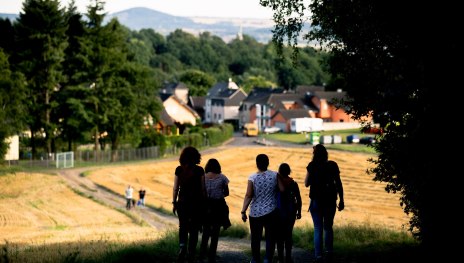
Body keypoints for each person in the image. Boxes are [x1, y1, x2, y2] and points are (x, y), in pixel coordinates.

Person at [305, 144, 344, 263]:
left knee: (318, 228)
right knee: (328, 227)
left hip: (316, 201)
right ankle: (329, 253)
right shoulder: (333, 165)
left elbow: (306, 183)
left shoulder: (312, 166)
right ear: (326, 153)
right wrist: (342, 200)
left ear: (315, 154)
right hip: (330, 201)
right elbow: (339, 184)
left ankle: (318, 256)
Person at [241, 153, 282, 263]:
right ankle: (267, 259)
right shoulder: (275, 175)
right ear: (268, 163)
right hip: (271, 211)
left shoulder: (252, 177)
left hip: (255, 213)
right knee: (270, 237)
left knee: (255, 238)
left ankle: (255, 259)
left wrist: (243, 210)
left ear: (257, 164)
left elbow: (248, 195)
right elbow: (281, 190)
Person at [172, 146, 206, 263]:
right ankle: (191, 253)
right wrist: (204, 204)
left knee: (183, 226)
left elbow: (176, 188)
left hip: (182, 203)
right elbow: (203, 189)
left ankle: (182, 247)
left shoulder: (179, 170)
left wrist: (174, 202)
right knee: (194, 229)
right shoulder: (200, 170)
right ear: (196, 157)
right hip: (197, 204)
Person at [199, 158, 231, 263]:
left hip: (205, 207)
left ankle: (201, 256)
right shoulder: (222, 178)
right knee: (215, 233)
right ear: (218, 166)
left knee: (206, 232)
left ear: (207, 167)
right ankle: (211, 257)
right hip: (218, 207)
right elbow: (227, 193)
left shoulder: (202, 177)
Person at [276, 163, 302, 263]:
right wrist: (299, 212)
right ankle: (288, 257)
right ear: (289, 171)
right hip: (291, 212)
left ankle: (280, 258)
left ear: (279, 171)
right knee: (288, 235)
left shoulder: (277, 183)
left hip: (278, 212)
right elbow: (298, 199)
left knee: (279, 236)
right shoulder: (293, 183)